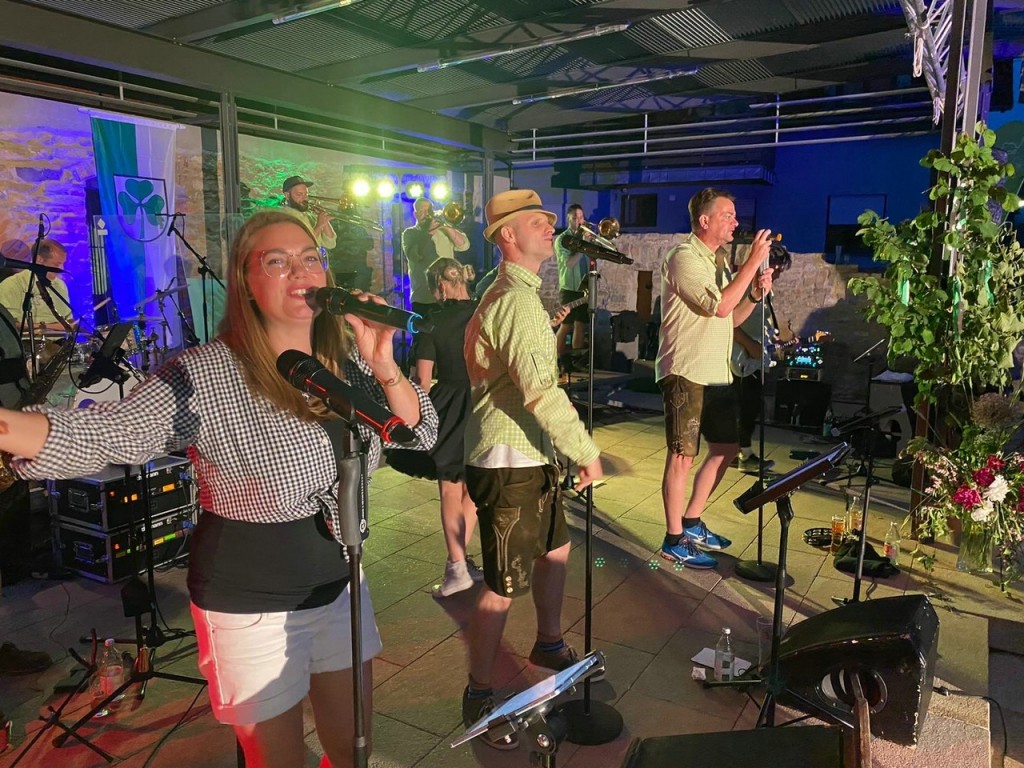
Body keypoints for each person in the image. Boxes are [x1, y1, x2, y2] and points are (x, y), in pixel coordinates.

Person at [0, 210, 438, 768]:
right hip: (248, 602)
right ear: (246, 282)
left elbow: (417, 435)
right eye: (276, 261)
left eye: (310, 258)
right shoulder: (207, 372)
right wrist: (8, 428)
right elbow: (113, 432)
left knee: (353, 752)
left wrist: (383, 364)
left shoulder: (344, 362)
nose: (299, 271)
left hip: (339, 585)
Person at [461, 189, 603, 750]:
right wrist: (585, 451)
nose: (551, 227)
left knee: (556, 550)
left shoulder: (516, 295)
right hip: (510, 458)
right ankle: (479, 692)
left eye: (549, 219)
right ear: (507, 235)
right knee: (502, 586)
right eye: (537, 221)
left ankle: (547, 642)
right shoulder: (515, 301)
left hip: (530, 453)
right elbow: (541, 390)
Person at [656, 188, 773, 570]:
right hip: (685, 371)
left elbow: (731, 317)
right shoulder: (683, 258)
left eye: (735, 215)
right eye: (728, 215)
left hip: (716, 372)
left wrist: (753, 294)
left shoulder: (717, 262)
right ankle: (673, 539)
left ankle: (692, 521)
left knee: (726, 448)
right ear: (704, 220)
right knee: (682, 456)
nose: (736, 222)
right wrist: (751, 262)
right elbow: (718, 305)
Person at [387, 257, 484, 597]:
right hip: (485, 402)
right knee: (474, 487)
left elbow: (423, 382)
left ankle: (457, 569)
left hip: (451, 406)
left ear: (440, 286)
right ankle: (459, 562)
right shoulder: (485, 312)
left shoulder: (431, 322)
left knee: (450, 489)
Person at [729, 243, 792, 472]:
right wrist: (750, 345)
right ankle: (744, 456)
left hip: (755, 358)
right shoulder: (741, 282)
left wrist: (775, 339)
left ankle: (736, 452)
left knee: (751, 407)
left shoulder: (766, 287)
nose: (778, 274)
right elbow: (727, 320)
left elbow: (761, 321)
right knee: (746, 408)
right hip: (742, 358)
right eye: (777, 269)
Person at [400, 198, 469, 318]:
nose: (427, 214)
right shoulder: (410, 233)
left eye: (429, 210)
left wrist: (446, 227)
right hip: (423, 297)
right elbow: (414, 256)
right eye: (422, 211)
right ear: (415, 214)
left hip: (449, 295)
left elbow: (464, 245)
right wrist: (429, 233)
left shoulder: (444, 230)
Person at [0, 238, 71, 332]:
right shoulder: (12, 284)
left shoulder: (60, 285)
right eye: (56, 264)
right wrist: (45, 327)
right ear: (39, 260)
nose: (61, 269)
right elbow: (7, 325)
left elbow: (69, 320)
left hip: (62, 339)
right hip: (28, 340)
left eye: (63, 264)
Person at [553, 204, 590, 363]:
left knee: (580, 324)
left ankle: (576, 360)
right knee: (566, 325)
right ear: (569, 219)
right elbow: (569, 263)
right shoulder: (562, 240)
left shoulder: (585, 236)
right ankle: (556, 359)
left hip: (584, 286)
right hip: (568, 288)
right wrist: (583, 246)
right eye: (575, 217)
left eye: (581, 217)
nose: (579, 221)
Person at [280, 175, 337, 251]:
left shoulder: (309, 216)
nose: (305, 198)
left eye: (306, 194)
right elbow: (301, 246)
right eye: (299, 194)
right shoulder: (283, 218)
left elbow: (330, 244)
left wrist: (324, 219)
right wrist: (319, 225)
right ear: (287, 195)